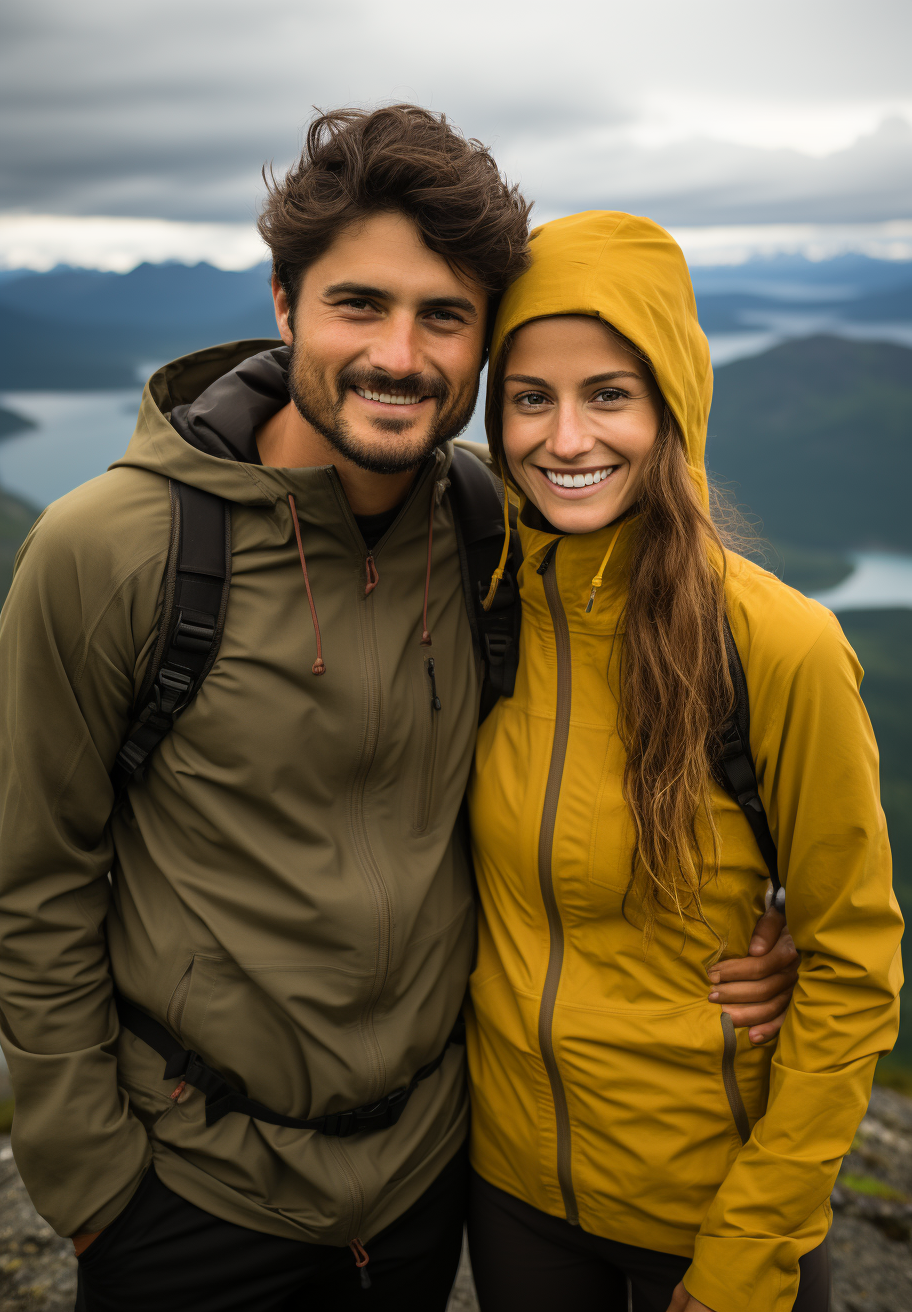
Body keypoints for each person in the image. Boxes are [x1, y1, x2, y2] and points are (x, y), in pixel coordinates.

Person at [0, 110, 794, 1312]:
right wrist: (95, 1180)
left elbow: (634, 712)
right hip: (190, 1187)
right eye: (358, 304)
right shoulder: (108, 551)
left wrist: (757, 925)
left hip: (424, 1179)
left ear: (484, 345)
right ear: (283, 303)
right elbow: (36, 873)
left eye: (444, 315)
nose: (400, 355)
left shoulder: (495, 524)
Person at [463, 211, 903, 1312]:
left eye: (609, 393)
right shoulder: (477, 599)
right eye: (530, 397)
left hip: (707, 1215)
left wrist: (749, 1256)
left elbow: (854, 969)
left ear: (673, 405)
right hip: (512, 1193)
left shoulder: (779, 647)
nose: (565, 439)